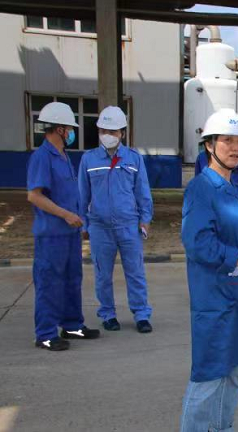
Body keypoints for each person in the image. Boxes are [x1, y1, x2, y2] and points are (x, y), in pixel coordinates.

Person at [180, 108, 238, 432]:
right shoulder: (201, 189)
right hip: (215, 301)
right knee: (208, 378)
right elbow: (198, 243)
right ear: (209, 145)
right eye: (227, 140)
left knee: (233, 376)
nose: (235, 147)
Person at [27, 102, 100, 351]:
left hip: (70, 232)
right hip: (51, 234)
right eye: (70, 128)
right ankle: (46, 334)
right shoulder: (42, 157)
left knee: (72, 279)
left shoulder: (63, 156)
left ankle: (72, 325)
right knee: (50, 282)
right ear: (59, 129)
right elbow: (34, 195)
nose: (71, 133)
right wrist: (66, 215)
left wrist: (78, 220)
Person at [78, 106, 154, 333]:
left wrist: (145, 218)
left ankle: (141, 315)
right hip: (99, 227)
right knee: (102, 274)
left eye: (113, 131)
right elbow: (82, 194)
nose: (108, 135)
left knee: (135, 273)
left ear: (122, 132)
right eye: (104, 130)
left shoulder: (133, 159)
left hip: (129, 225)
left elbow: (142, 191)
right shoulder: (89, 159)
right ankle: (108, 314)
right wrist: (83, 224)